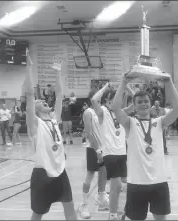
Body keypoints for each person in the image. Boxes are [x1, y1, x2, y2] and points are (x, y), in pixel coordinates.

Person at [112, 71, 178, 221]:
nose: (143, 104)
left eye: (146, 101)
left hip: (159, 182)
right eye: (139, 102)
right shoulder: (130, 123)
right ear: (134, 105)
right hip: (137, 183)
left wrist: (169, 83)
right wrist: (124, 82)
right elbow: (116, 108)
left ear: (150, 103)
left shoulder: (159, 122)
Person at [22, 50, 77, 220]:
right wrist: (29, 67)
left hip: (60, 171)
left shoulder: (54, 119)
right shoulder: (35, 124)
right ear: (34, 109)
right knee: (38, 213)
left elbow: (60, 94)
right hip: (42, 173)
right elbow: (30, 95)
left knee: (70, 206)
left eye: (44, 101)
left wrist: (58, 72)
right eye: (40, 102)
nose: (43, 101)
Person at [91, 83, 130, 220]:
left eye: (116, 99)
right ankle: (113, 215)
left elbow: (135, 100)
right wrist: (105, 87)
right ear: (107, 101)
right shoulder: (103, 112)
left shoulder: (121, 112)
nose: (114, 101)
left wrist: (125, 85)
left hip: (122, 153)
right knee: (117, 184)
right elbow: (94, 100)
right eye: (111, 99)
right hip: (110, 153)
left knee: (126, 183)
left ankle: (122, 210)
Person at [78, 91, 109, 219]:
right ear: (92, 98)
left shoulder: (103, 110)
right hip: (93, 148)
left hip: (105, 147)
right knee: (90, 175)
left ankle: (100, 198)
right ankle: (84, 204)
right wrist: (97, 150)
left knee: (103, 174)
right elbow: (89, 133)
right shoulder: (88, 112)